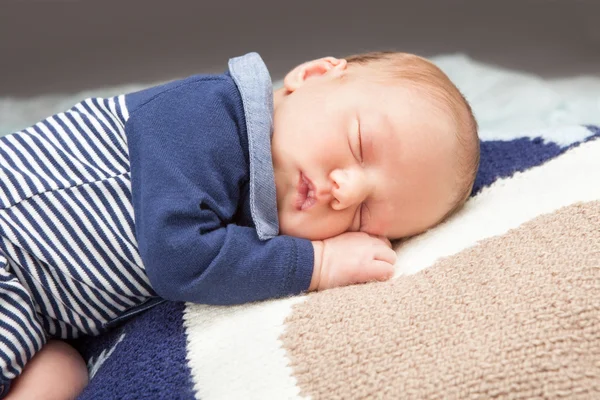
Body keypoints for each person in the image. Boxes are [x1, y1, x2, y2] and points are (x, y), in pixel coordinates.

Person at [0, 51, 479, 399]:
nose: (347, 190)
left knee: (61, 372)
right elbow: (178, 256)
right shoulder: (207, 115)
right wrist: (318, 263)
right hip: (9, 251)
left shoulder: (249, 211)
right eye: (359, 143)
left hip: (39, 310)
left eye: (363, 216)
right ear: (311, 75)